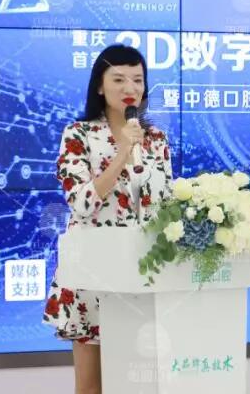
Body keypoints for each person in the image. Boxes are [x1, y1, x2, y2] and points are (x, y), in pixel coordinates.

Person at [43, 44, 173, 394]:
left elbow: (164, 204)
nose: (130, 87)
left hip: (142, 272)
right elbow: (81, 203)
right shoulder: (78, 134)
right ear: (99, 86)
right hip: (93, 271)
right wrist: (122, 154)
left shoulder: (156, 139)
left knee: (139, 383)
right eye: (119, 79)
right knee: (91, 387)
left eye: (138, 79)